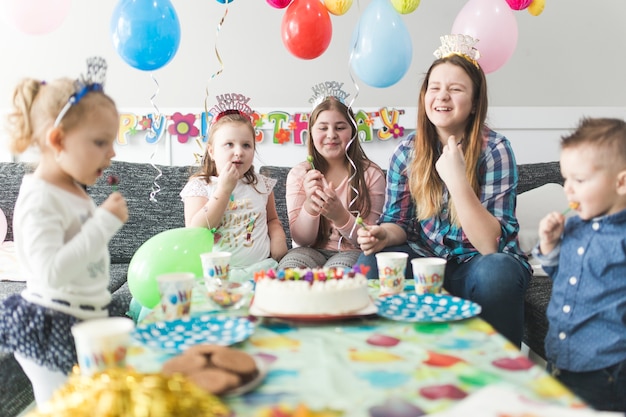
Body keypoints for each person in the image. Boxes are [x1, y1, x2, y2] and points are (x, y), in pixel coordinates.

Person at [356, 35, 531, 347]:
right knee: (370, 262)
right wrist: (383, 234)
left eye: (456, 89)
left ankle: (499, 373)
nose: (442, 96)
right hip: (424, 262)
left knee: (498, 271)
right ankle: (379, 355)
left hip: (478, 267)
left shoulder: (495, 150)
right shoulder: (407, 150)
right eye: (434, 87)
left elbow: (491, 245)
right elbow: (402, 223)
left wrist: (458, 181)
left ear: (475, 102)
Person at [0, 57, 128, 405]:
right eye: (101, 142)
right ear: (57, 140)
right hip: (54, 320)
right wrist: (103, 223)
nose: (112, 152)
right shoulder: (39, 198)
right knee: (63, 407)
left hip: (85, 314)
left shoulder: (71, 188)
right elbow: (52, 272)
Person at [533, 117, 626, 411]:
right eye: (566, 179)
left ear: (621, 182)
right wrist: (549, 245)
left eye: (580, 180)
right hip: (561, 355)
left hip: (606, 367)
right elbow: (563, 275)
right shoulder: (574, 228)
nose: (568, 190)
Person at [277, 86, 385, 269]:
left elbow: (367, 239)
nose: (331, 135)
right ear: (311, 132)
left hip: (352, 251)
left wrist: (340, 216)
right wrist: (310, 207)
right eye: (323, 128)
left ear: (352, 131)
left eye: (340, 127)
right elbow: (302, 240)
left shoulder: (371, 174)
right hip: (310, 250)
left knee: (340, 274)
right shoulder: (299, 174)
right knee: (290, 268)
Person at [181, 104, 288, 281]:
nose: (239, 152)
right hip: (216, 274)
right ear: (212, 151)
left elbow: (272, 219)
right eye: (229, 144)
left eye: (246, 145)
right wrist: (224, 190)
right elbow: (195, 230)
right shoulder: (201, 185)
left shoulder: (261, 184)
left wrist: (278, 237)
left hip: (259, 269)